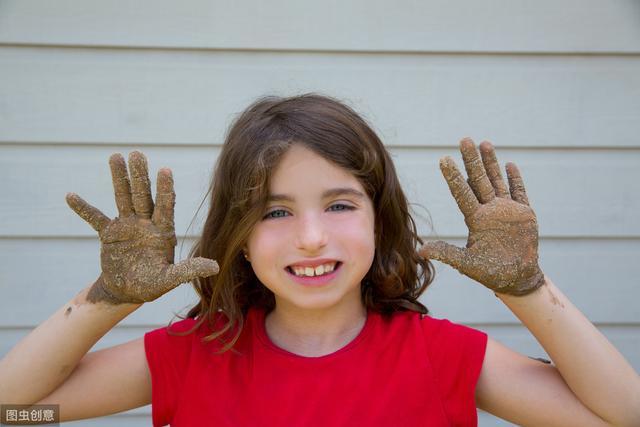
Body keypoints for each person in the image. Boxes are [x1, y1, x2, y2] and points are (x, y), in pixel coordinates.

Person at [0, 94, 638, 426]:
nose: (309, 237)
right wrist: (107, 299)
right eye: (274, 212)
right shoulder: (194, 355)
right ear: (239, 236)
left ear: (379, 218)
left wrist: (529, 288)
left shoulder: (441, 357)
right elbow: (16, 408)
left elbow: (620, 414)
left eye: (339, 205)